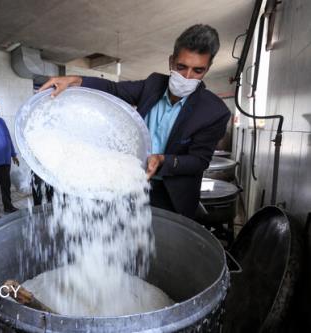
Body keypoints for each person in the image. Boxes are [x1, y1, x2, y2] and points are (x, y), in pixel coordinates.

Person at [40, 24, 230, 218]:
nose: (187, 77)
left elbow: (199, 161)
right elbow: (114, 90)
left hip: (170, 194)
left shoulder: (213, 111)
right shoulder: (154, 84)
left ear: (207, 69)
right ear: (171, 62)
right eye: (181, 67)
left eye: (197, 70)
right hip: (131, 181)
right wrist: (76, 80)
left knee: (163, 244)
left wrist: (163, 160)